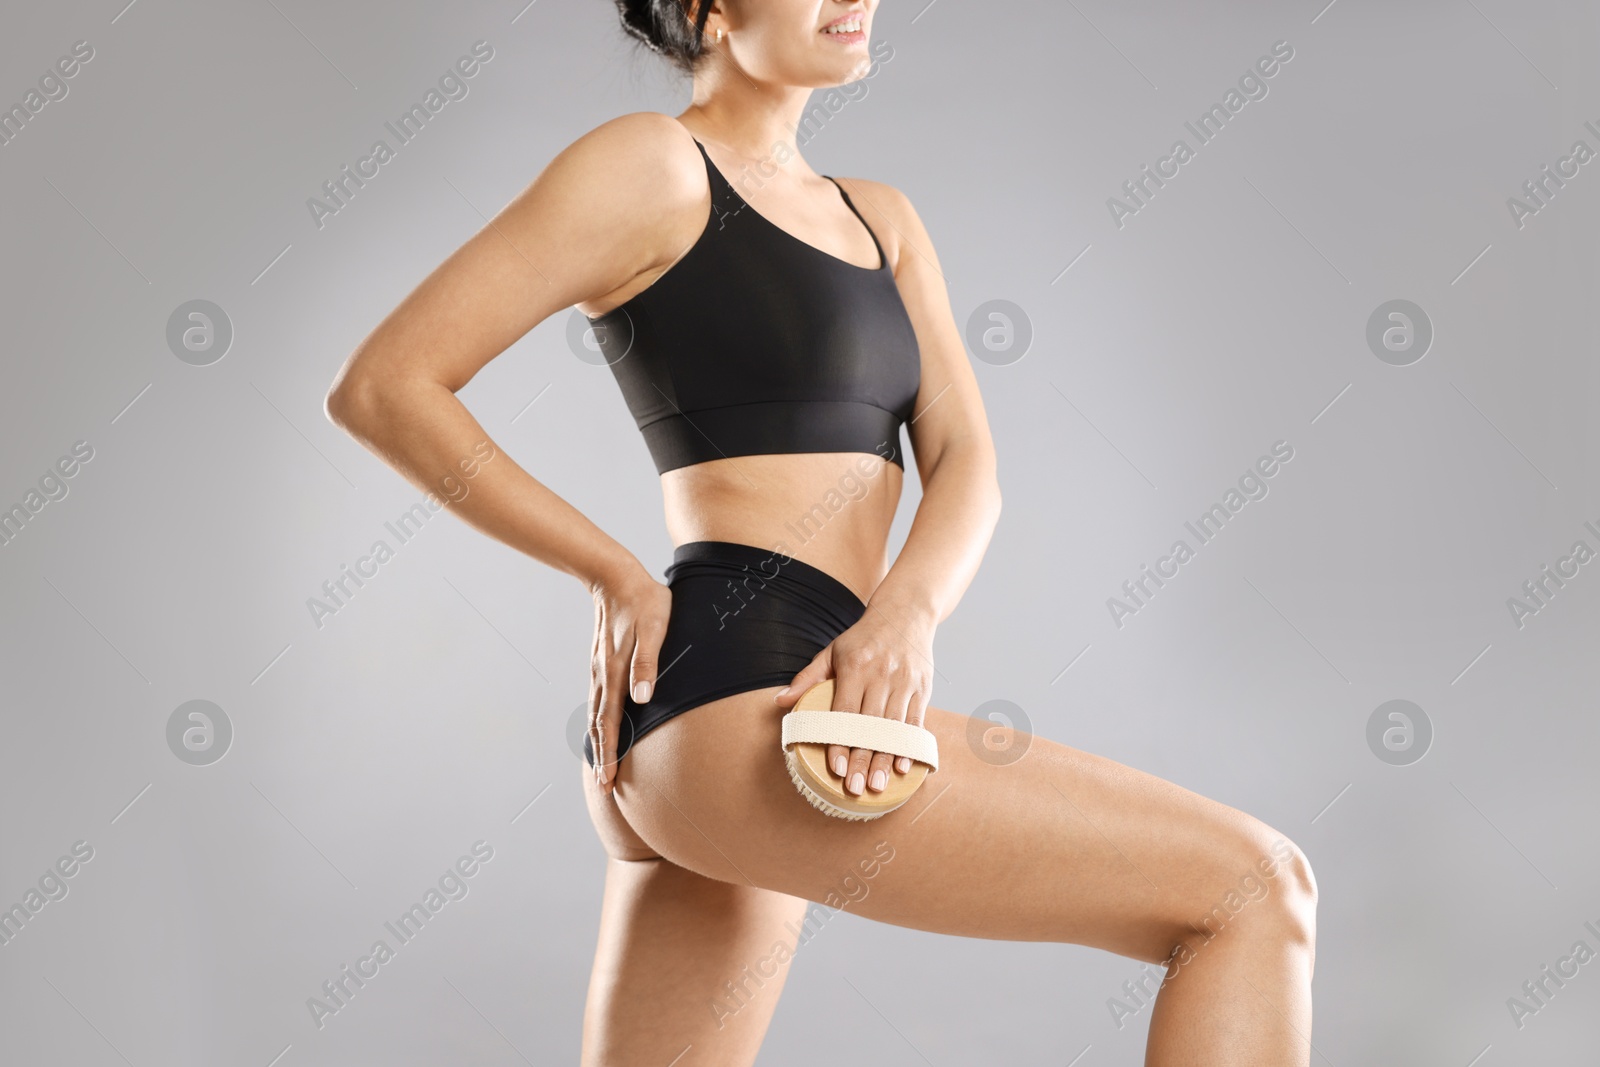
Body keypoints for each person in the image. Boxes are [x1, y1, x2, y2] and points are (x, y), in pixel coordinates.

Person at [324, 1, 1318, 1063]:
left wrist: (907, 612)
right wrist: (608, 572)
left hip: (778, 704)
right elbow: (386, 386)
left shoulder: (880, 218)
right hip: (740, 696)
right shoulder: (653, 166)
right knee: (1254, 886)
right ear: (710, 10)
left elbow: (968, 465)